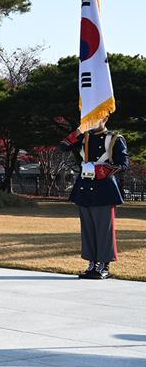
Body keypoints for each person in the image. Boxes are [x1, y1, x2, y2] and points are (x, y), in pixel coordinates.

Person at [61, 116, 129, 279]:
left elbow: (123, 163)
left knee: (103, 230)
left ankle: (103, 265)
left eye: (95, 118)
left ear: (104, 118)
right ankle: (92, 263)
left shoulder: (114, 138)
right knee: (88, 230)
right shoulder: (84, 137)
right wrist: (80, 129)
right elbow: (64, 145)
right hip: (84, 188)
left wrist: (104, 170)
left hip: (104, 189)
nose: (92, 121)